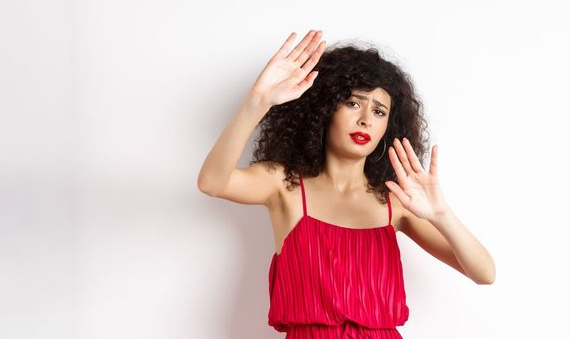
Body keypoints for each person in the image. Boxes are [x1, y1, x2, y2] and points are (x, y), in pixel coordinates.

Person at [197, 29, 496, 338]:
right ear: (325, 110)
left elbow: (484, 273)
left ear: (388, 127)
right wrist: (257, 101)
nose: (366, 118)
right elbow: (212, 182)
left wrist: (441, 214)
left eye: (379, 111)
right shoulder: (283, 185)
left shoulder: (395, 202)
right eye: (353, 104)